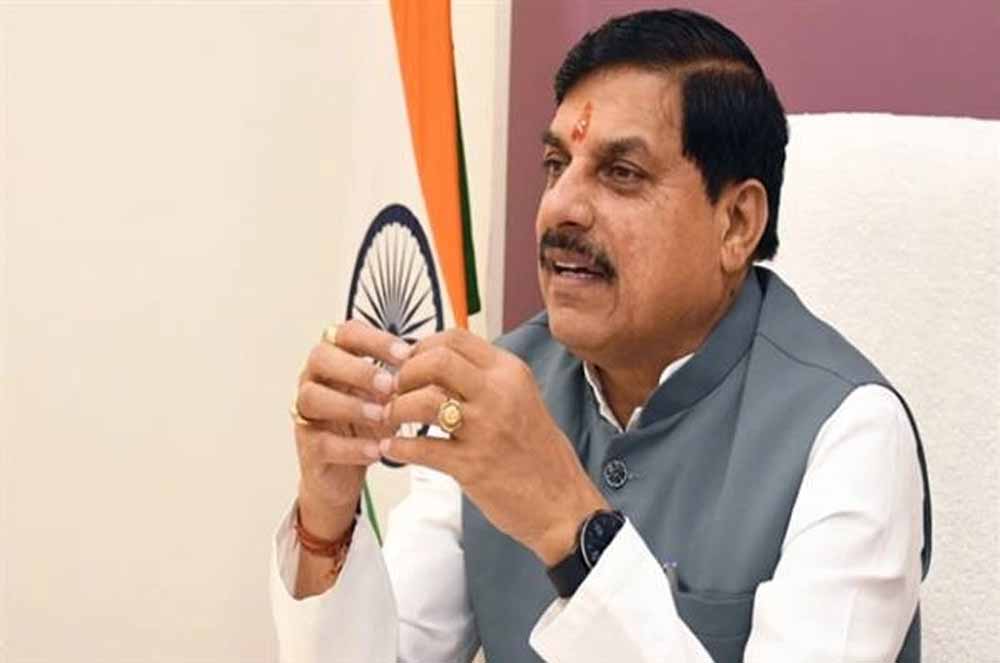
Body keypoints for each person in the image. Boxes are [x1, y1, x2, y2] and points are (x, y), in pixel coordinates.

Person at [271, 9, 931, 663]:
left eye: (621, 173)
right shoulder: (492, 388)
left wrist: (569, 525)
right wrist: (327, 518)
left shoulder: (851, 433)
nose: (559, 206)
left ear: (735, 223)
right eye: (556, 163)